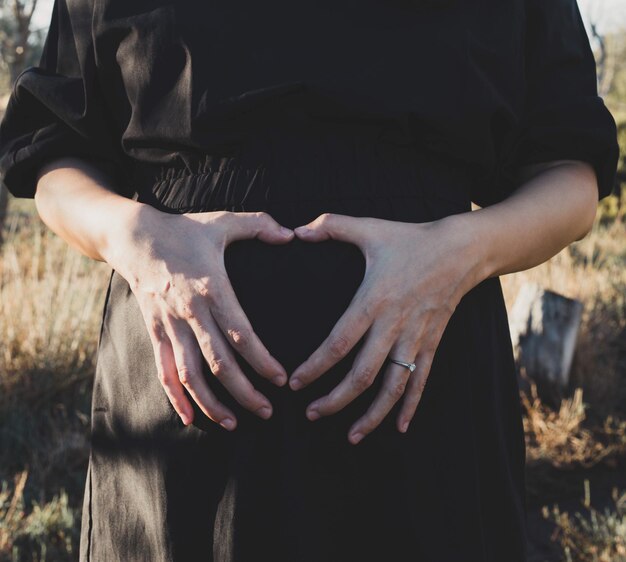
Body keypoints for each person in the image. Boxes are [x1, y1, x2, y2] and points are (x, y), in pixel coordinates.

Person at [0, 0, 619, 560]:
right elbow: (57, 155)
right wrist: (134, 239)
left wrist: (456, 253)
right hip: (182, 423)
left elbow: (570, 173)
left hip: (424, 412)